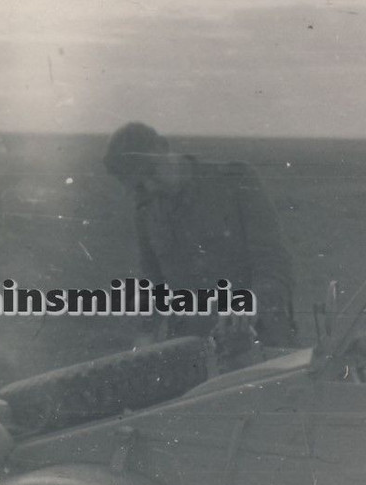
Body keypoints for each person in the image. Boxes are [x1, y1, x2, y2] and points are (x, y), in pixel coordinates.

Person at [101, 121, 298, 350]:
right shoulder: (146, 210)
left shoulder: (235, 181)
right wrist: (146, 331)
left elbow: (273, 261)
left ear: (163, 147)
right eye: (139, 186)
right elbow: (153, 280)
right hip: (192, 346)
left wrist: (253, 304)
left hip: (257, 338)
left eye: (152, 172)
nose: (150, 188)